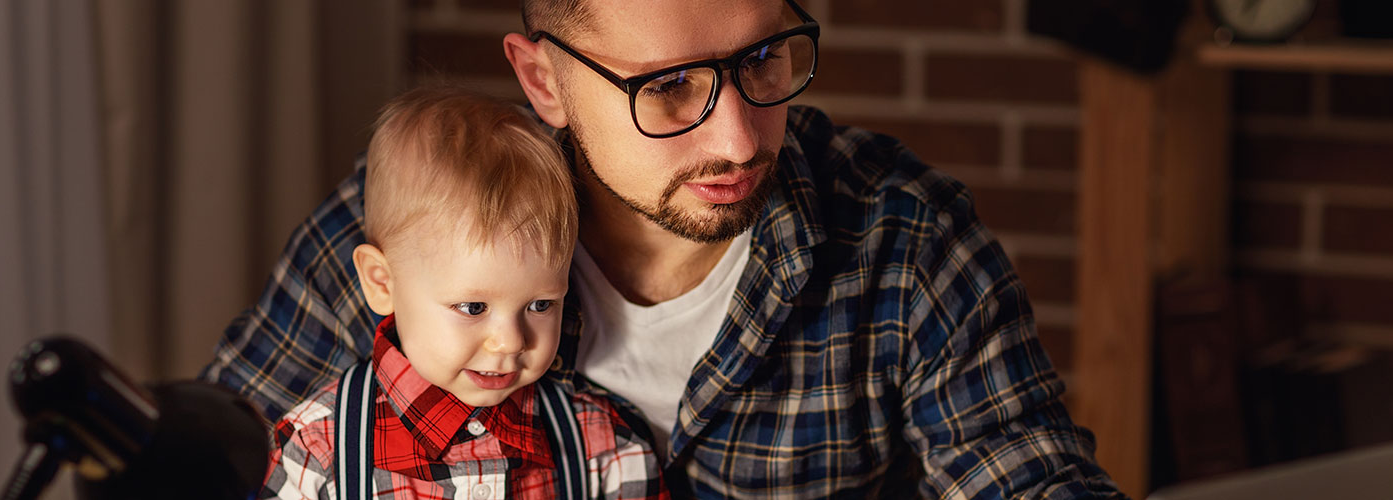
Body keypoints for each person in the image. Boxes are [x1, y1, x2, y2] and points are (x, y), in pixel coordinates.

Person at [207, 0, 1126, 497]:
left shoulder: (903, 242)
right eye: (671, 86)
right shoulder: (417, 228)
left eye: (763, 61)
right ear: (544, 80)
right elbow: (223, 456)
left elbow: (1027, 475)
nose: (736, 139)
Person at [258, 88, 667, 500]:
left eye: (541, 304)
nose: (511, 340)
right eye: (473, 307)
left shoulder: (602, 445)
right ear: (382, 283)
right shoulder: (316, 450)